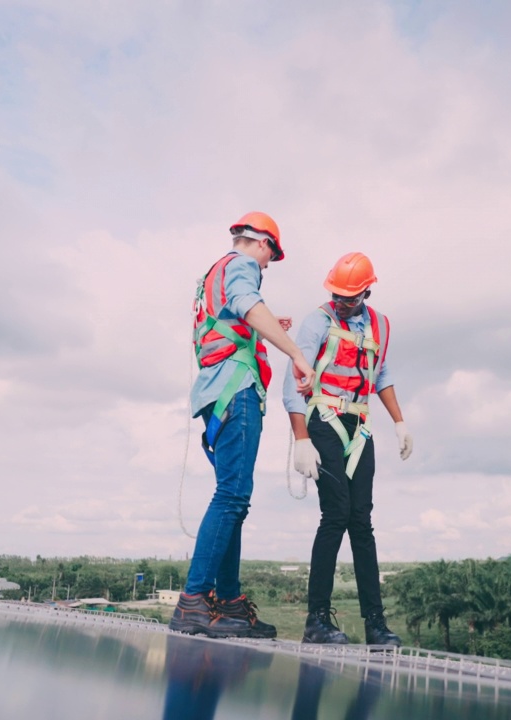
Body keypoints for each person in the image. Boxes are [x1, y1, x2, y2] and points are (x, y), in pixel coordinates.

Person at [170, 211, 314, 639]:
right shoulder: (242, 264)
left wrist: (267, 325)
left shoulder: (211, 275)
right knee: (232, 497)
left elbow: (237, 317)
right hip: (236, 389)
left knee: (233, 499)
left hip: (215, 396)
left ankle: (230, 604)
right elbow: (249, 305)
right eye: (271, 256)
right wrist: (296, 354)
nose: (267, 266)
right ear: (263, 244)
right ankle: (193, 600)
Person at [284, 252, 413, 646]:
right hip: (323, 421)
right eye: (337, 296)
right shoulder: (317, 322)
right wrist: (301, 438)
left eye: (350, 298)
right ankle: (316, 620)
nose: (341, 303)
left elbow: (382, 372)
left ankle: (375, 623)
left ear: (367, 292)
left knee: (361, 521)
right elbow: (295, 376)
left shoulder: (380, 326)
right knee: (335, 514)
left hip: (360, 425)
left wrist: (399, 421)